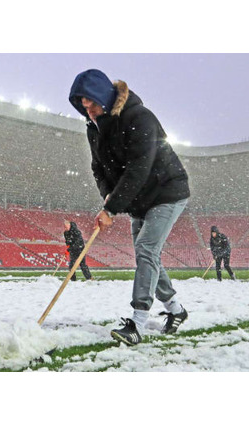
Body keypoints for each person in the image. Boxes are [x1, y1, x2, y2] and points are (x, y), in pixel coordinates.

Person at [69, 69, 191, 346]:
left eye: (93, 104)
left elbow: (138, 169)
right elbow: (98, 168)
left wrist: (112, 210)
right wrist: (108, 197)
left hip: (166, 192)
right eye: (84, 107)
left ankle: (137, 322)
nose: (89, 112)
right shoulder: (95, 128)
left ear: (105, 97)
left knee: (147, 249)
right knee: (147, 254)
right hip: (139, 199)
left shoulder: (140, 118)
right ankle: (176, 309)